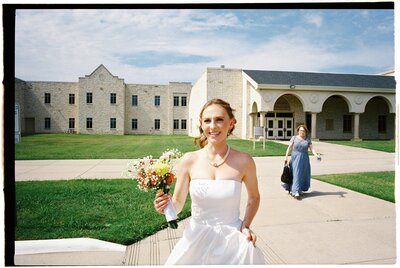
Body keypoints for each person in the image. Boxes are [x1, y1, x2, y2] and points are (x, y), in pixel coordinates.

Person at [154, 98, 266, 265]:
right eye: (207, 120)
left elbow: (254, 197)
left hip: (232, 242)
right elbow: (177, 204)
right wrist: (164, 206)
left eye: (219, 120)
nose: (212, 126)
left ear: (231, 123)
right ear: (201, 124)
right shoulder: (188, 160)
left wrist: (246, 226)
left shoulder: (244, 161)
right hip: (196, 240)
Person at [283, 124, 321, 199]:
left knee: (303, 174)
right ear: (298, 131)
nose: (302, 132)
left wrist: (316, 155)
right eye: (300, 130)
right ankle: (295, 191)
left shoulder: (307, 139)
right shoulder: (294, 138)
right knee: (296, 173)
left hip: (304, 159)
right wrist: (286, 157)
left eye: (303, 131)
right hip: (295, 158)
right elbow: (289, 147)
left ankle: (299, 189)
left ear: (305, 131)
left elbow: (312, 149)